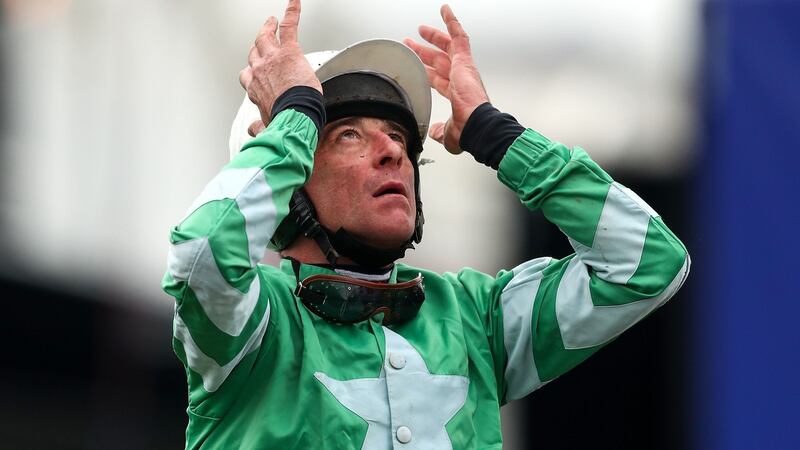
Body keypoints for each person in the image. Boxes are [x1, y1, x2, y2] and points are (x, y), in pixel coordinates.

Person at [162, 1, 690, 448]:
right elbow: (201, 253)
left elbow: (647, 263)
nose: (393, 150)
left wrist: (497, 136)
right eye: (348, 134)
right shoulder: (251, 324)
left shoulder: (475, 319)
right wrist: (297, 115)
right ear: (289, 180)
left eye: (399, 136)